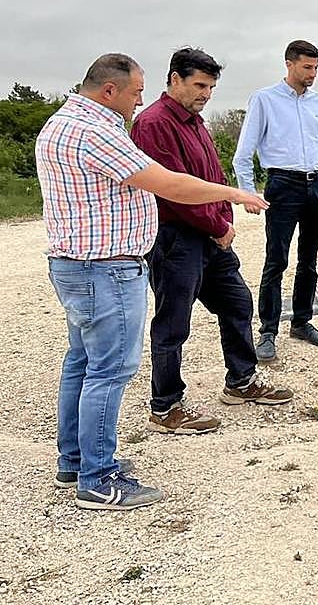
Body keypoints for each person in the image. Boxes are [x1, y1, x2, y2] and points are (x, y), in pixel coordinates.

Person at [36, 54, 269, 511]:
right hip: (107, 267)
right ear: (109, 91)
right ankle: (99, 479)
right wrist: (234, 193)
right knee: (110, 370)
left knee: (82, 362)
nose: (140, 99)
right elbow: (169, 185)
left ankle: (74, 460)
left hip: (74, 262)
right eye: (136, 91)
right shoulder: (98, 131)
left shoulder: (59, 124)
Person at [131, 48, 294, 436]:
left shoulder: (196, 122)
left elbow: (211, 177)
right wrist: (216, 224)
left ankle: (241, 381)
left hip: (209, 234)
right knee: (173, 322)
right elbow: (171, 190)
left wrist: (223, 217)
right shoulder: (153, 124)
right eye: (199, 85)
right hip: (176, 237)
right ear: (174, 80)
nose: (206, 93)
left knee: (237, 302)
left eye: (211, 87)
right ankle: (165, 406)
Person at [234, 40, 318, 362]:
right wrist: (249, 193)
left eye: (316, 68)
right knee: (276, 260)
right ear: (289, 64)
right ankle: (268, 330)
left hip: (317, 184)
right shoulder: (265, 100)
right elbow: (243, 153)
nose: (312, 74)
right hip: (283, 184)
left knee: (309, 260)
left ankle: (302, 321)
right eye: (307, 67)